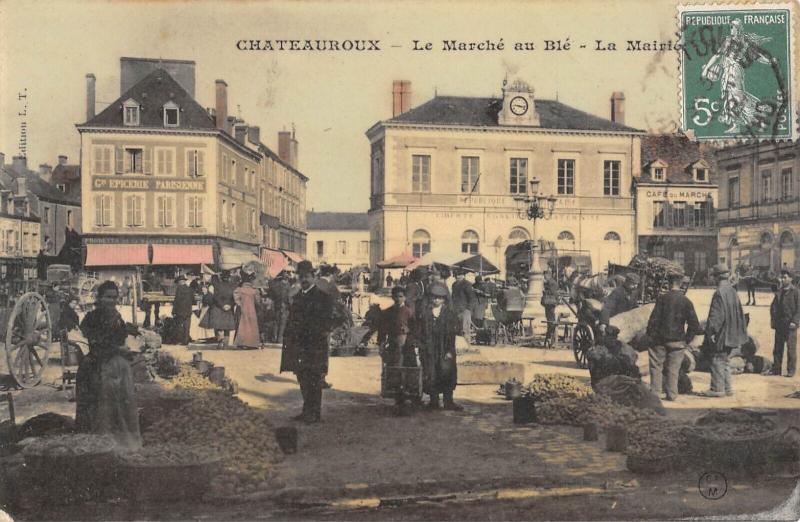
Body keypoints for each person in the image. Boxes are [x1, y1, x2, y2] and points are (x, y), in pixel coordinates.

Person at [76, 280, 141, 448]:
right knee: (99, 409)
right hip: (97, 366)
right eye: (107, 297)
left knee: (120, 407)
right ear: (99, 298)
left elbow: (119, 336)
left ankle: (118, 442)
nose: (111, 301)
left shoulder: (117, 317)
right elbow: (97, 344)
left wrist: (129, 332)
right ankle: (99, 443)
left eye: (114, 297)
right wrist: (119, 349)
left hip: (117, 366)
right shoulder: (91, 318)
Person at [280, 261, 334, 423]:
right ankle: (307, 410)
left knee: (315, 379)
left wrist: (316, 333)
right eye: (301, 276)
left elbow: (327, 322)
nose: (304, 279)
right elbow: (291, 321)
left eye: (307, 276)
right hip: (299, 346)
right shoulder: (297, 298)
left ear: (314, 277)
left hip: (315, 345)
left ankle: (314, 413)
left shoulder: (323, 298)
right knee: (302, 377)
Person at [646, 273, 701, 401]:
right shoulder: (686, 301)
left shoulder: (662, 299)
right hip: (678, 341)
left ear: (668, 284)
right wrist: (686, 340)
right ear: (681, 284)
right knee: (673, 369)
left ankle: (655, 394)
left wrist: (651, 337)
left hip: (659, 340)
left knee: (656, 366)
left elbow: (653, 321)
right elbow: (695, 325)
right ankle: (672, 394)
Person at [700, 263, 749, 397]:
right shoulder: (732, 291)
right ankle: (727, 388)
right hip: (732, 333)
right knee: (725, 360)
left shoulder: (719, 292)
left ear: (716, 277)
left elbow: (715, 317)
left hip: (723, 333)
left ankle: (717, 389)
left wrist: (711, 333)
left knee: (717, 359)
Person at [418, 284, 462, 410]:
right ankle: (434, 401)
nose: (436, 300)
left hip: (445, 348)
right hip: (430, 348)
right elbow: (421, 331)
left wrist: (449, 351)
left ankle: (448, 401)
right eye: (434, 297)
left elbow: (452, 333)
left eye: (439, 298)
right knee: (431, 373)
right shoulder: (425, 313)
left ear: (444, 299)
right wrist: (422, 347)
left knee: (447, 373)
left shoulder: (449, 314)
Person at [379, 286, 418, 414]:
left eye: (400, 296)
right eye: (396, 296)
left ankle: (410, 397)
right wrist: (382, 344)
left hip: (407, 344)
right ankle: (398, 398)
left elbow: (415, 329)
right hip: (394, 344)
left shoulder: (409, 312)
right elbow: (383, 329)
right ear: (392, 297)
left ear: (405, 297)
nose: (398, 298)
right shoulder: (388, 312)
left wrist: (412, 342)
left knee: (409, 369)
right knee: (395, 368)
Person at [770, 270, 800, 377]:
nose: (783, 280)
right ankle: (776, 369)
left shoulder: (796, 292)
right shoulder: (780, 292)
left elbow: (798, 309)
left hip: (790, 325)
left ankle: (791, 371)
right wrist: (774, 322)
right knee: (777, 348)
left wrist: (795, 322)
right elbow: (773, 307)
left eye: (785, 277)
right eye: (782, 278)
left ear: (791, 278)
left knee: (791, 349)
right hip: (780, 324)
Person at [233, 272, 262, 349]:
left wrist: (239, 304)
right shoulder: (254, 290)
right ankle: (252, 343)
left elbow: (236, 299)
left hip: (243, 308)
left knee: (242, 325)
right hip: (252, 309)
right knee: (252, 326)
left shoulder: (239, 289)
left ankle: (242, 343)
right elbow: (257, 301)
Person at [209, 270, 236, 347]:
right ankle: (226, 342)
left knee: (220, 326)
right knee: (227, 326)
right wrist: (230, 305)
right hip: (229, 308)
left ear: (221, 277)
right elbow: (234, 298)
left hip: (220, 308)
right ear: (229, 278)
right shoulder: (233, 286)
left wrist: (222, 305)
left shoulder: (218, 285)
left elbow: (216, 297)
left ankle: (221, 341)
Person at [451, 270, 476, 341]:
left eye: (459, 274)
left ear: (463, 275)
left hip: (465, 310)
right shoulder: (454, 284)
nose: (457, 276)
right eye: (456, 275)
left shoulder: (467, 284)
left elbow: (472, 298)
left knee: (465, 330)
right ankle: (459, 347)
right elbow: (453, 297)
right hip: (455, 310)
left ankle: (466, 346)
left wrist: (468, 309)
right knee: (457, 329)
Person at [268, 273, 291, 344]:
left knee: (276, 322)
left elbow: (272, 294)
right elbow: (288, 297)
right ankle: (280, 339)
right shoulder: (288, 286)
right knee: (283, 324)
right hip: (284, 306)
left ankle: (274, 338)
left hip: (277, 305)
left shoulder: (276, 285)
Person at [172, 275, 195, 346]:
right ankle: (186, 340)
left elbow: (176, 301)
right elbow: (193, 300)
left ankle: (180, 340)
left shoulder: (178, 289)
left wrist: (173, 311)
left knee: (179, 326)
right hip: (188, 310)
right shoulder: (190, 289)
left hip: (180, 311)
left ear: (179, 282)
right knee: (187, 326)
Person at [541, 267, 560, 346]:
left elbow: (552, 293)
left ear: (548, 275)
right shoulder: (553, 282)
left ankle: (550, 336)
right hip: (552, 303)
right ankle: (550, 336)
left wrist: (544, 292)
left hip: (549, 303)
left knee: (550, 320)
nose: (544, 277)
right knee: (550, 319)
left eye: (545, 275)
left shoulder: (550, 283)